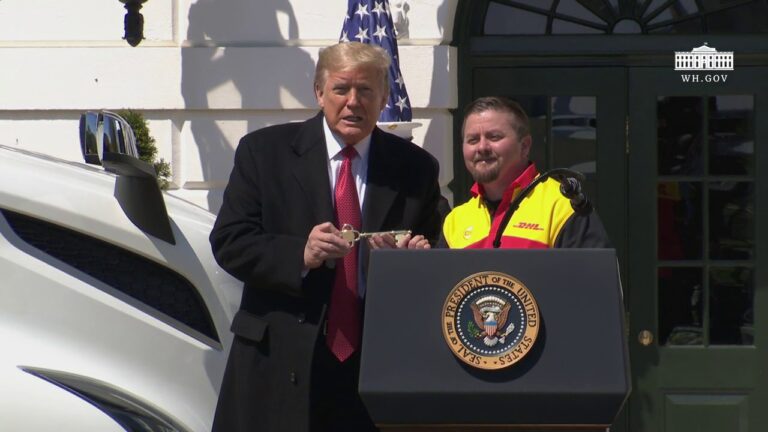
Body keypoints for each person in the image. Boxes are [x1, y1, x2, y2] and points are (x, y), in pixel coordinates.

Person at [209, 42, 442, 432]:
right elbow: (230, 242)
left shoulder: (415, 167)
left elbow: (435, 248)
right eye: (341, 89)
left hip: (375, 365)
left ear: (384, 97)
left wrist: (411, 260)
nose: (353, 102)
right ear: (319, 92)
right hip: (279, 361)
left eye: (366, 90)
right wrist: (300, 254)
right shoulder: (265, 153)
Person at [440, 96, 610, 249]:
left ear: (525, 146)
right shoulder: (454, 222)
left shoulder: (563, 206)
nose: (482, 147)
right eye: (473, 140)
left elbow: (591, 273)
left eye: (494, 137)